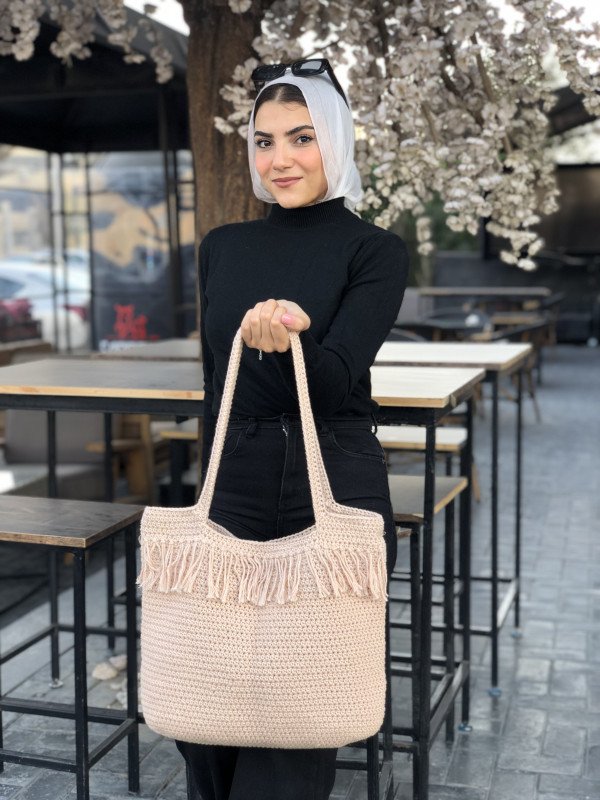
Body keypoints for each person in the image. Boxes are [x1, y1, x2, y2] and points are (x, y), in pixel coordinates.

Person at [175, 59, 409, 800]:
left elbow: (334, 381)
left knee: (299, 707)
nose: (280, 159)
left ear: (336, 141)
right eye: (265, 141)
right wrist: (204, 489)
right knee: (203, 705)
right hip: (233, 472)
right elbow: (218, 382)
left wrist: (291, 341)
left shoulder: (375, 250)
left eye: (303, 138)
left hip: (331, 474)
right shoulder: (221, 247)